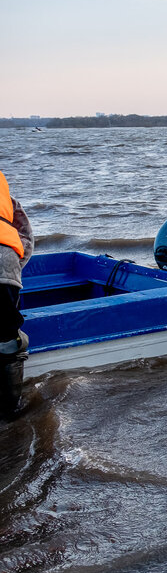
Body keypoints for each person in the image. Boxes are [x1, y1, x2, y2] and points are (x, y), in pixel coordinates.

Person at [1, 170, 34, 421]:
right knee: (7, 338)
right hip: (5, 261)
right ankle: (10, 414)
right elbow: (25, 232)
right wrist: (14, 270)